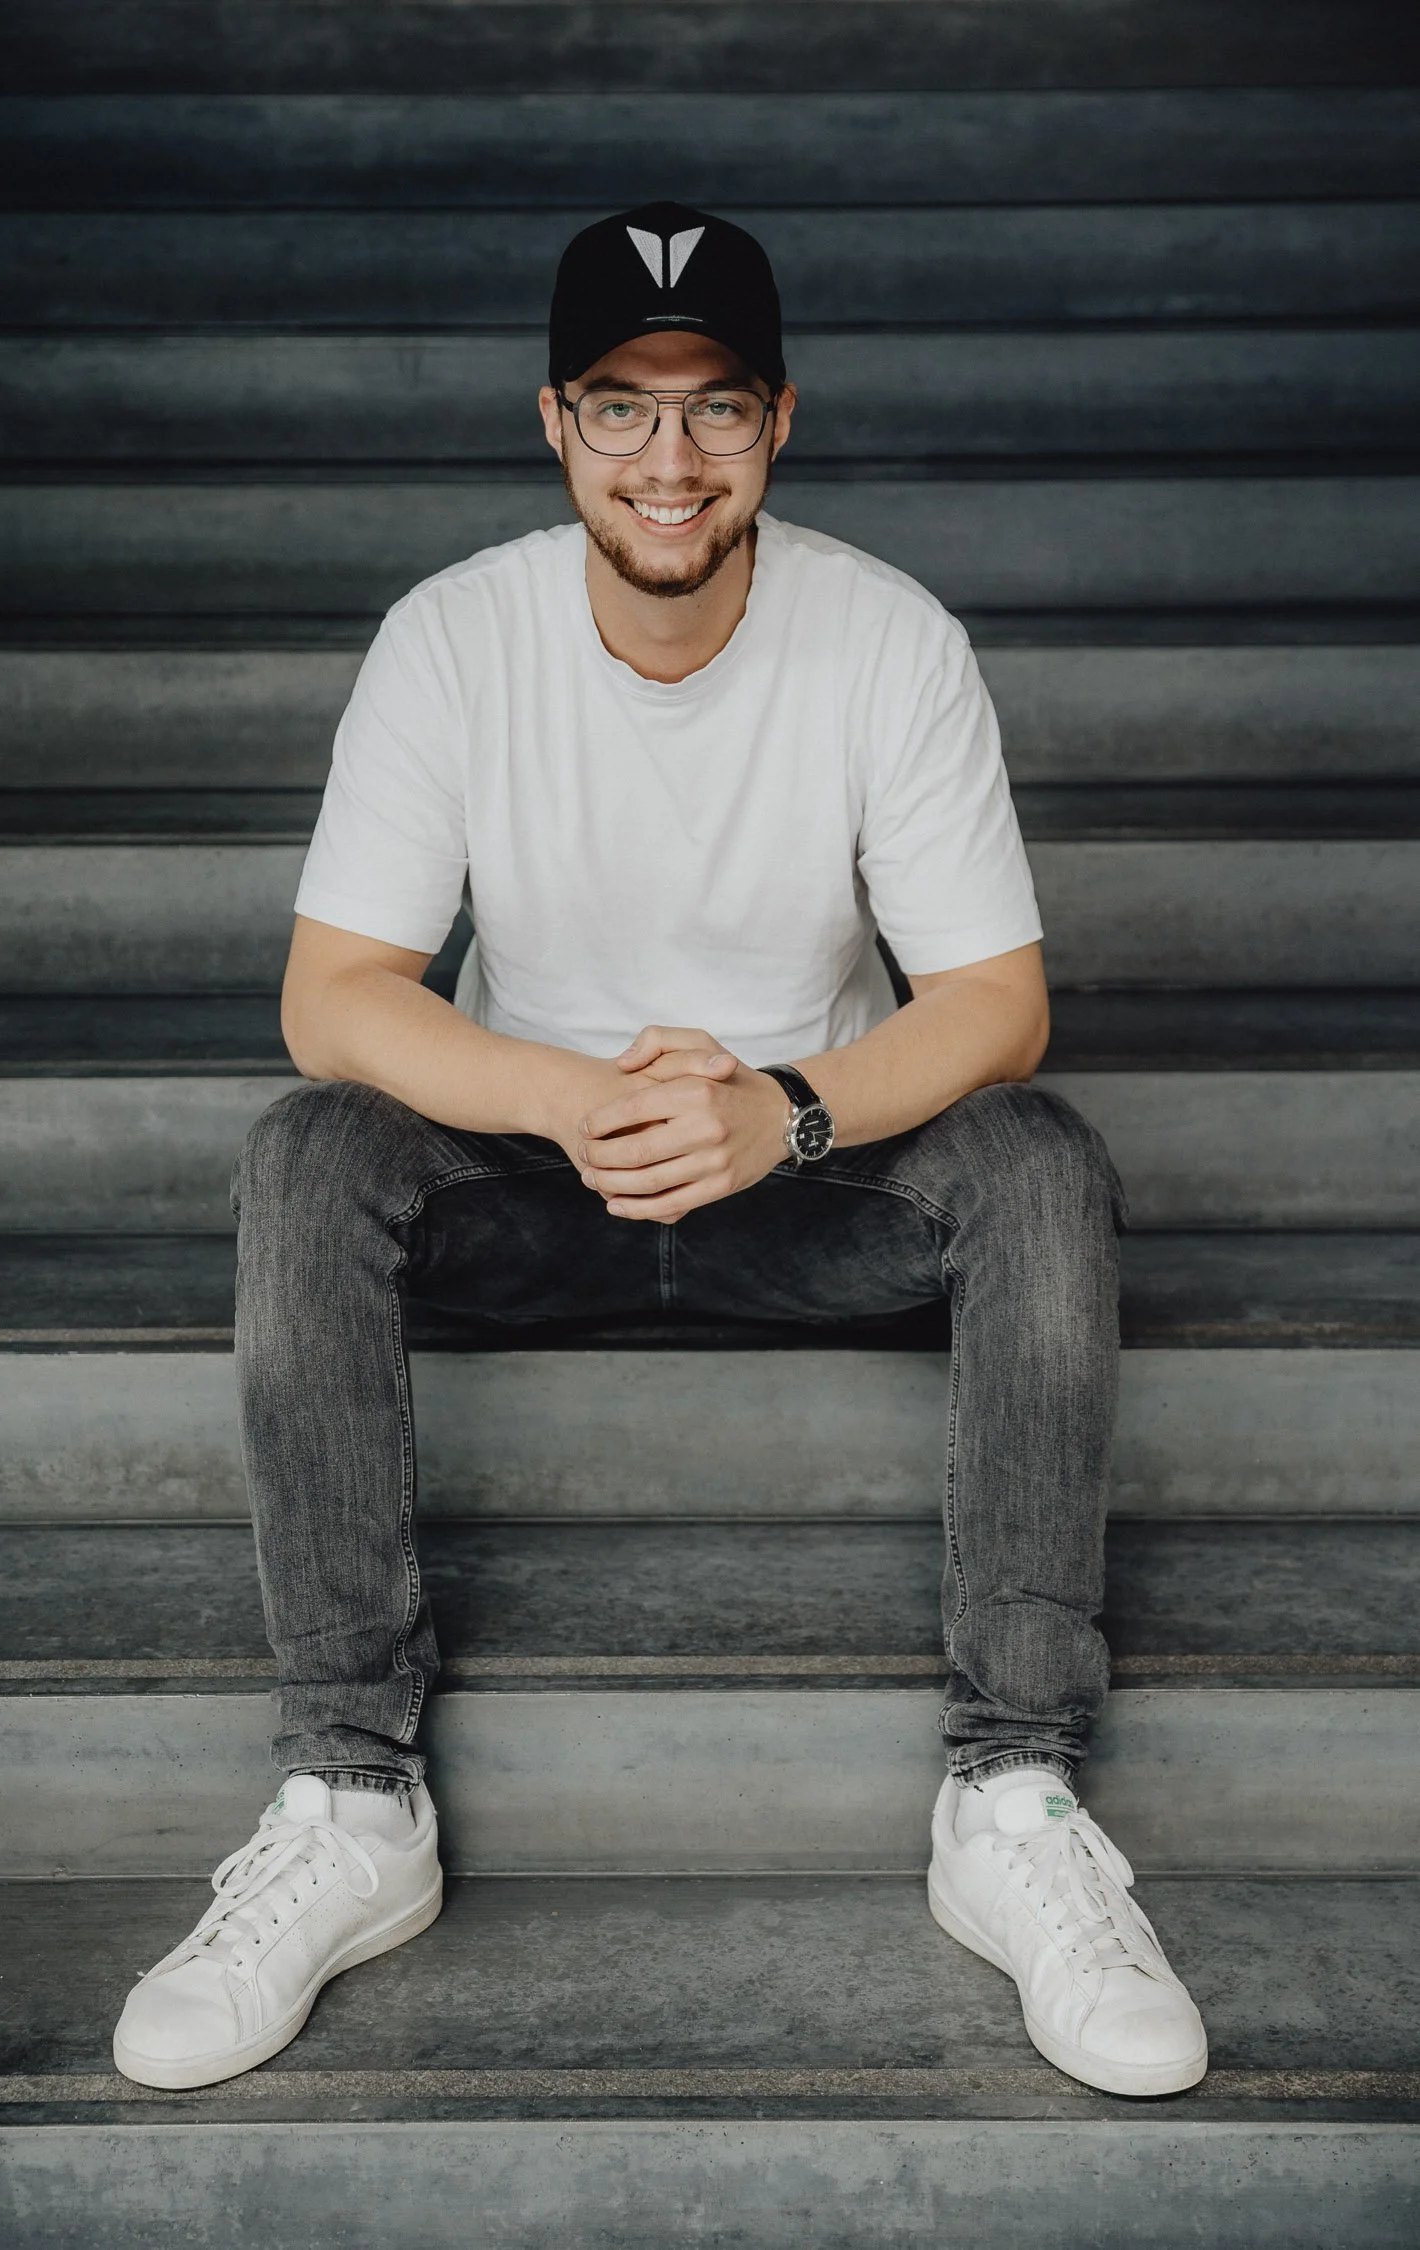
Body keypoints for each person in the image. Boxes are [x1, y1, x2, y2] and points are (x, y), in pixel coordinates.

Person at [113, 202, 1207, 2099]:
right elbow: (336, 993)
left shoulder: (892, 640)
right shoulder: (453, 638)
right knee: (311, 1152)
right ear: (557, 425)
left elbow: (996, 1004)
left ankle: (1012, 1797)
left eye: (712, 412)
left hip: (814, 1186)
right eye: (623, 409)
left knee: (1038, 1157)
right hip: (539, 1184)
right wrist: (563, 1094)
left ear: (779, 425)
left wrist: (776, 1108)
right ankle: (353, 1797)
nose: (669, 460)